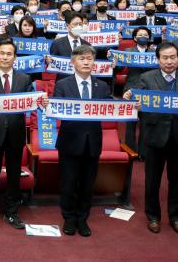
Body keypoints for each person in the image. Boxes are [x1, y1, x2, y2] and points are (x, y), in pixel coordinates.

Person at [124, 42, 178, 235]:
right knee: (152, 181)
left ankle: (176, 218)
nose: (169, 61)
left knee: (177, 181)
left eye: (173, 57)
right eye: (165, 57)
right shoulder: (146, 78)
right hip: (154, 136)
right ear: (158, 59)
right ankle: (153, 217)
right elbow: (136, 104)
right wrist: (134, 102)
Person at [0, 38, 48, 230]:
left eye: (9, 54)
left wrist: (42, 101)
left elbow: (31, 103)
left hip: (16, 133)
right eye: (2, 53)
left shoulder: (25, 79)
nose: (5, 57)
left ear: (15, 57)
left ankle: (12, 212)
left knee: (14, 175)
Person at [54, 45, 111, 237]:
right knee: (68, 184)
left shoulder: (102, 86)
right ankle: (69, 218)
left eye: (90, 59)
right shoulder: (62, 84)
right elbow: (55, 110)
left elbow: (113, 108)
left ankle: (82, 218)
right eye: (82, 59)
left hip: (92, 143)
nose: (86, 62)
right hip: (70, 142)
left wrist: (128, 103)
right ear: (73, 62)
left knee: (87, 185)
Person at [122, 26, 156, 159]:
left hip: (149, 89)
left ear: (149, 38)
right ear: (135, 38)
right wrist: (113, 61)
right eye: (140, 35)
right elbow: (119, 69)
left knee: (145, 122)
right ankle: (130, 150)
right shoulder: (128, 51)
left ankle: (143, 153)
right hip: (131, 89)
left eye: (146, 35)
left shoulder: (154, 52)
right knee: (131, 122)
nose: (143, 37)